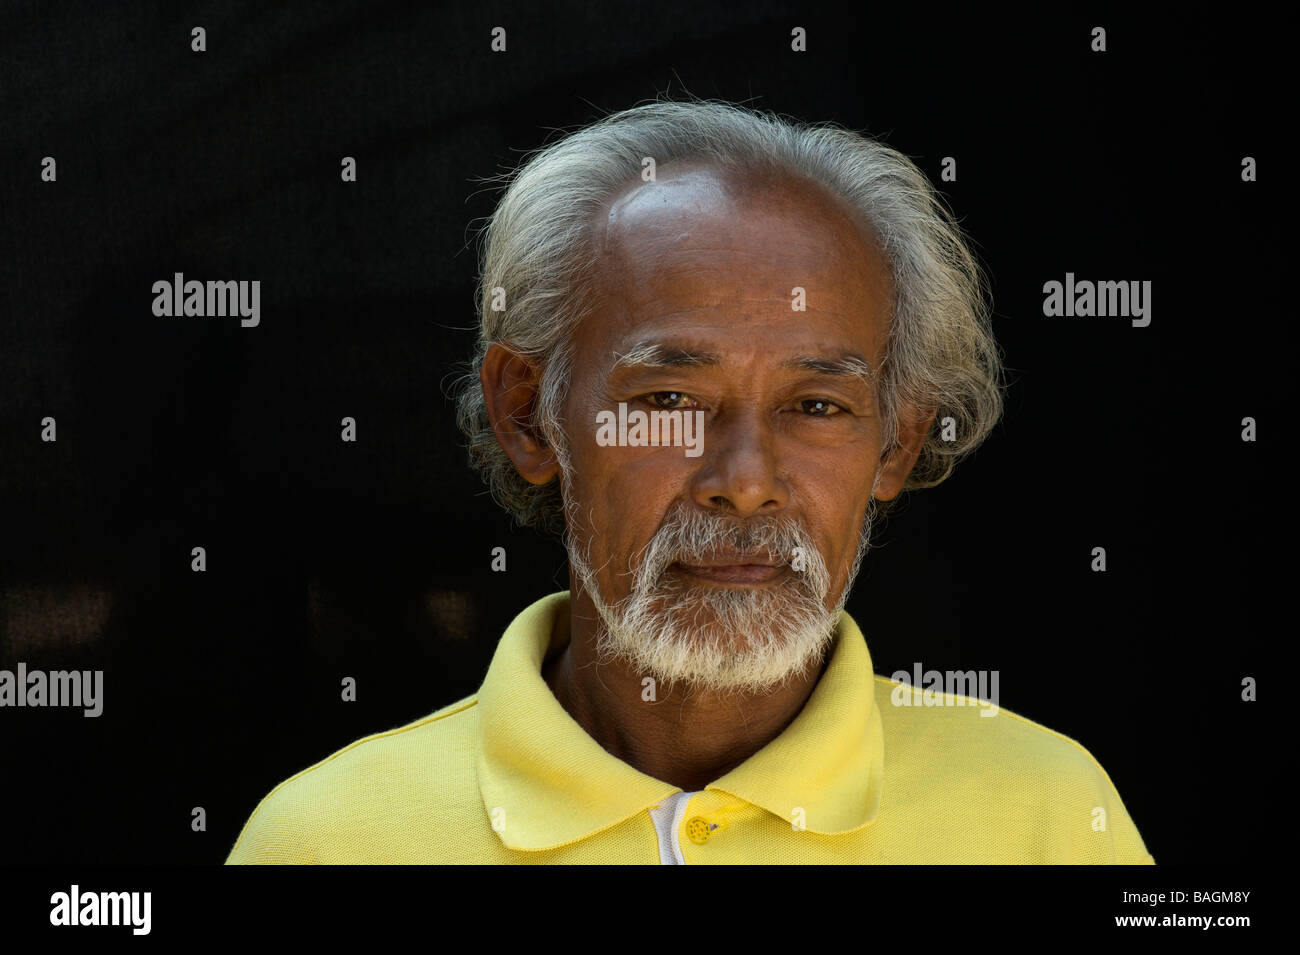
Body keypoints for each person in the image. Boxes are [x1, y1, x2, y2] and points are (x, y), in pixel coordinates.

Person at [226, 100, 1153, 864]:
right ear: (529, 415)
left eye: (819, 406)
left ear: (897, 444)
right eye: (670, 396)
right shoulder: (324, 843)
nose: (745, 484)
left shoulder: (1050, 819)